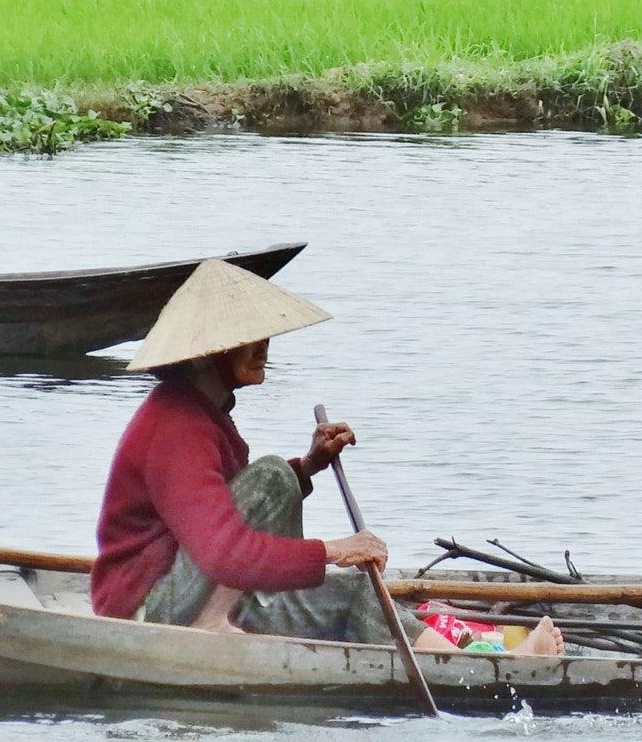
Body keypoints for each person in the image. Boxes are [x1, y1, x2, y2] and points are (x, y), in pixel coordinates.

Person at [90, 259, 562, 656]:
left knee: (317, 536)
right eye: (246, 339)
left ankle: (462, 653)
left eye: (263, 335)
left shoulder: (201, 413)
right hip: (149, 611)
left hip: (191, 590)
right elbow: (223, 553)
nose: (263, 348)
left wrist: (310, 465)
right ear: (205, 355)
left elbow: (218, 510)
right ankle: (488, 665)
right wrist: (336, 551)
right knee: (279, 483)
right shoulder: (174, 428)